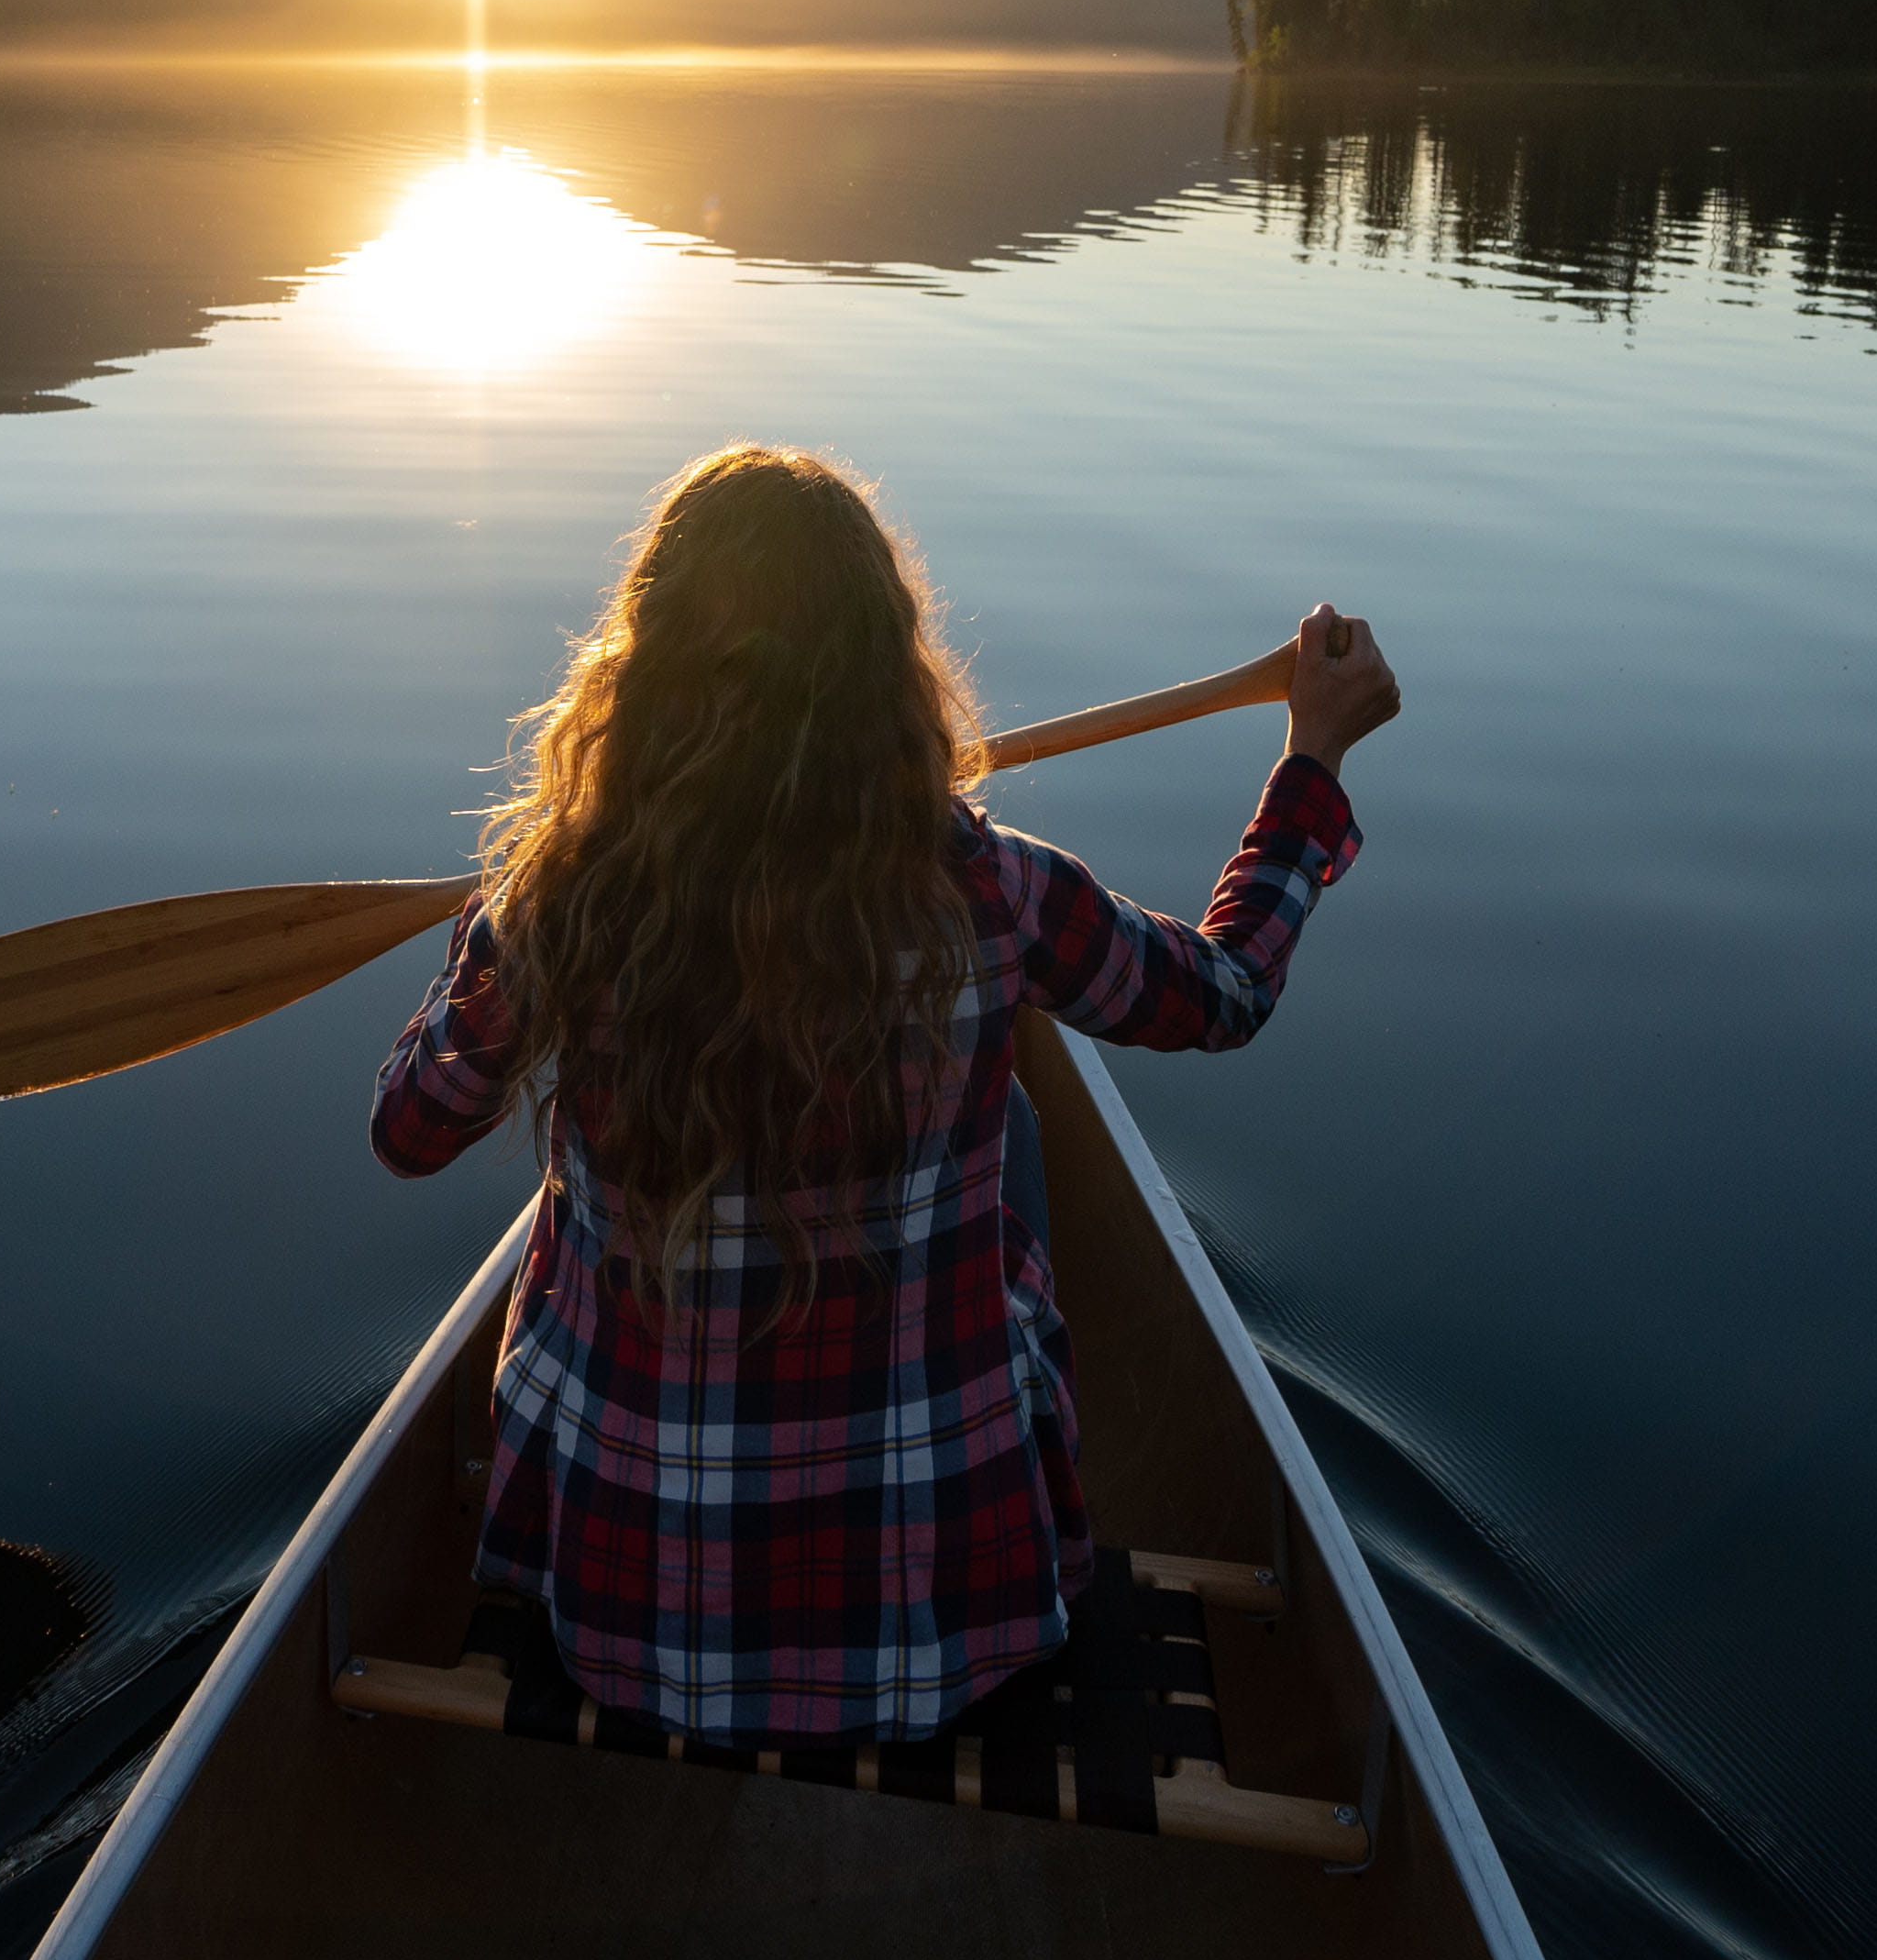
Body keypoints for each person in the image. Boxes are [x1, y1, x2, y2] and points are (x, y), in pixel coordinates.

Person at [369, 443, 1399, 1747]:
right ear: (887, 675)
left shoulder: (561, 905)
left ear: (642, 677)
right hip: (945, 1647)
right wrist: (1313, 761)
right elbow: (1227, 990)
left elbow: (409, 1131)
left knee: (618, 1182)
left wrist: (499, 923)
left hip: (623, 1637)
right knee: (1014, 1115)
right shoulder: (996, 891)